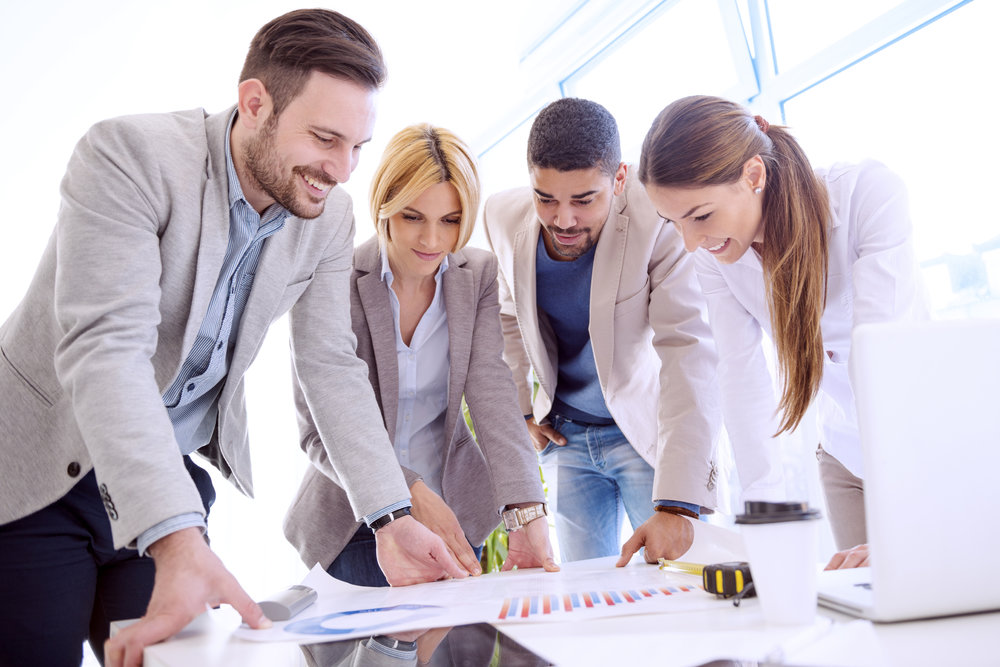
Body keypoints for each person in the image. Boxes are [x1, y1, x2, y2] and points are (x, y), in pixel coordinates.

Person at [0, 10, 467, 667]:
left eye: (357, 146)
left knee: (174, 660)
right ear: (255, 102)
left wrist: (389, 516)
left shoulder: (326, 216)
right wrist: (175, 533)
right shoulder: (128, 156)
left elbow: (331, 365)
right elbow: (107, 350)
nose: (342, 169)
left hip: (166, 475)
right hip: (42, 472)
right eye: (326, 138)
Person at [637, 95, 928, 569]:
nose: (690, 245)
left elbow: (881, 358)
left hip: (922, 450)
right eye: (675, 223)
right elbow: (741, 377)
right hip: (843, 459)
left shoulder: (866, 196)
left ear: (754, 175)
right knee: (865, 617)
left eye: (701, 216)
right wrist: (765, 521)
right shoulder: (719, 259)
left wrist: (904, 529)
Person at [284, 124, 558, 585]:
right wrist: (409, 489)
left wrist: (526, 510)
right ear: (385, 208)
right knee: (371, 656)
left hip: (452, 516)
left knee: (451, 653)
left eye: (450, 221)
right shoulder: (336, 277)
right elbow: (317, 432)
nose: (433, 240)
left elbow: (492, 394)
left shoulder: (477, 275)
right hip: (351, 521)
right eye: (413, 217)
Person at [483, 98, 729, 564]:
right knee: (585, 598)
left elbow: (688, 348)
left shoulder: (657, 217)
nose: (563, 219)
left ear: (619, 179)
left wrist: (679, 500)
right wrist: (521, 412)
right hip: (567, 440)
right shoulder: (500, 217)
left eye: (584, 200)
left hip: (644, 435)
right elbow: (508, 316)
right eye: (546, 198)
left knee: (683, 583)